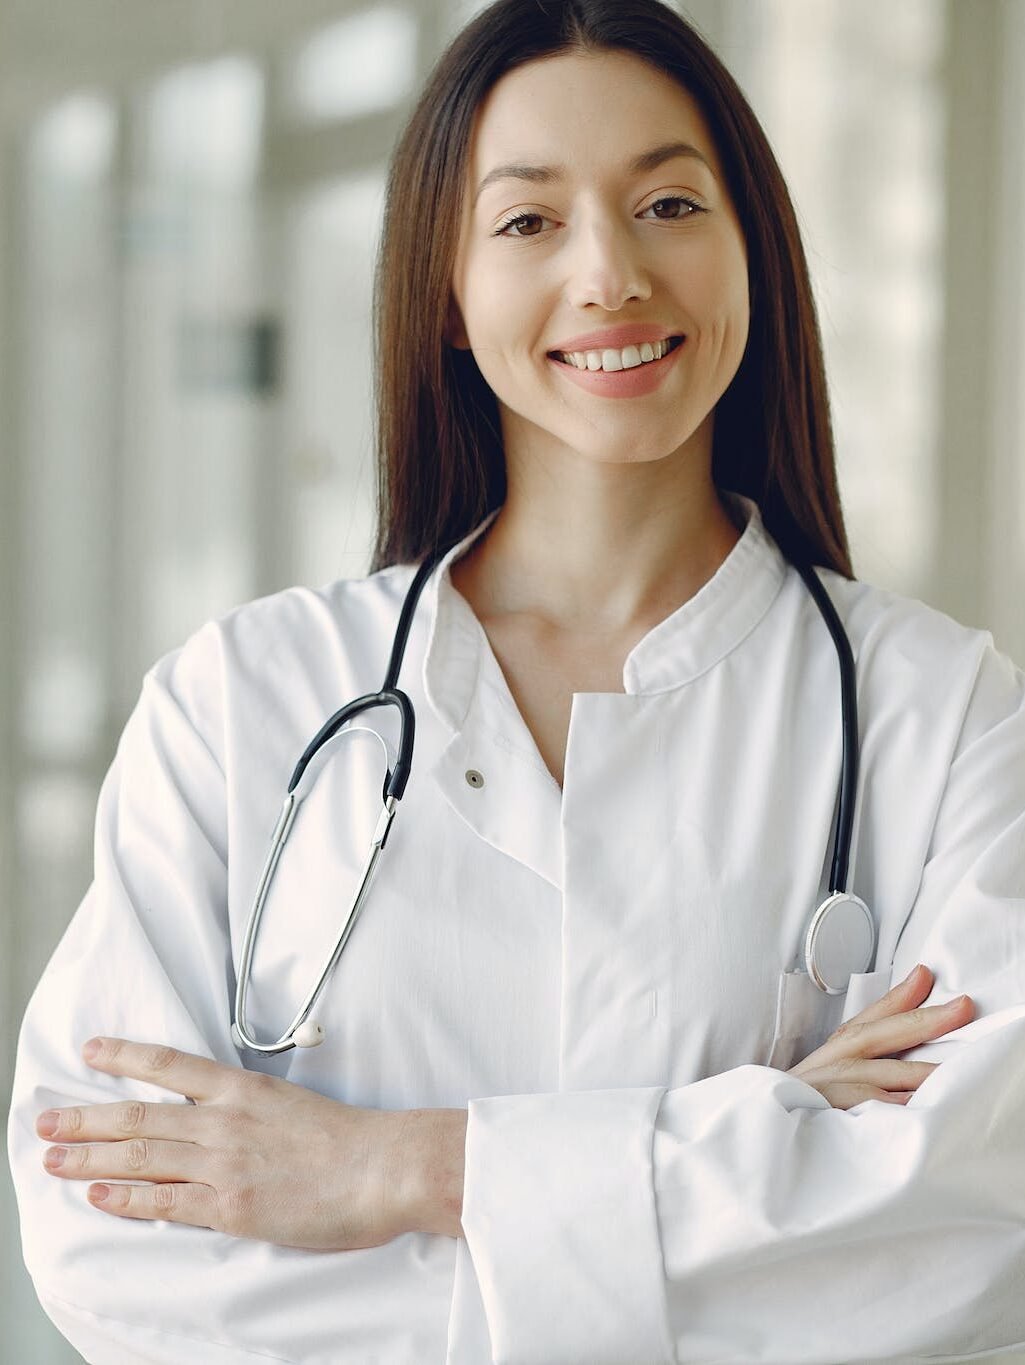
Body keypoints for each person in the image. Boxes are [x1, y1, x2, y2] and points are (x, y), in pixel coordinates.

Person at [8, 0, 1025, 1361]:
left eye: (667, 202)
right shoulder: (243, 701)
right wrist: (765, 1159)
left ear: (753, 253)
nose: (608, 274)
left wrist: (398, 1171)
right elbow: (114, 1242)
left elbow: (972, 1220)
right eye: (528, 221)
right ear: (445, 289)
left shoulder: (942, 712)